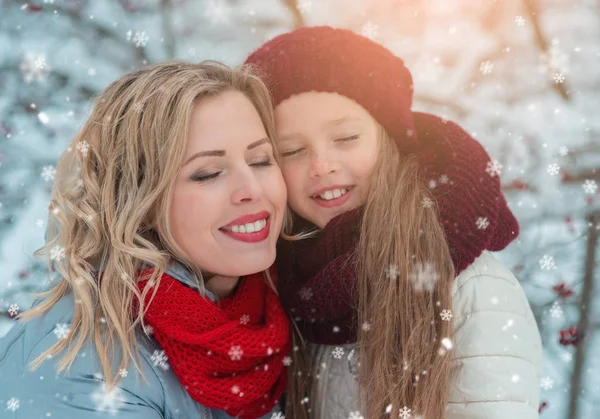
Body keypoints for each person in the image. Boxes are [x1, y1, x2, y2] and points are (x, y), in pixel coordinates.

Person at [246, 26, 543, 419]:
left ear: (388, 139)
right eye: (292, 150)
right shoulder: (288, 282)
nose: (321, 165)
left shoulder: (472, 289)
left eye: (347, 137)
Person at [0, 61, 290, 419]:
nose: (252, 189)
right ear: (141, 201)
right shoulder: (85, 372)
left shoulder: (273, 307)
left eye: (261, 160)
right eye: (207, 173)